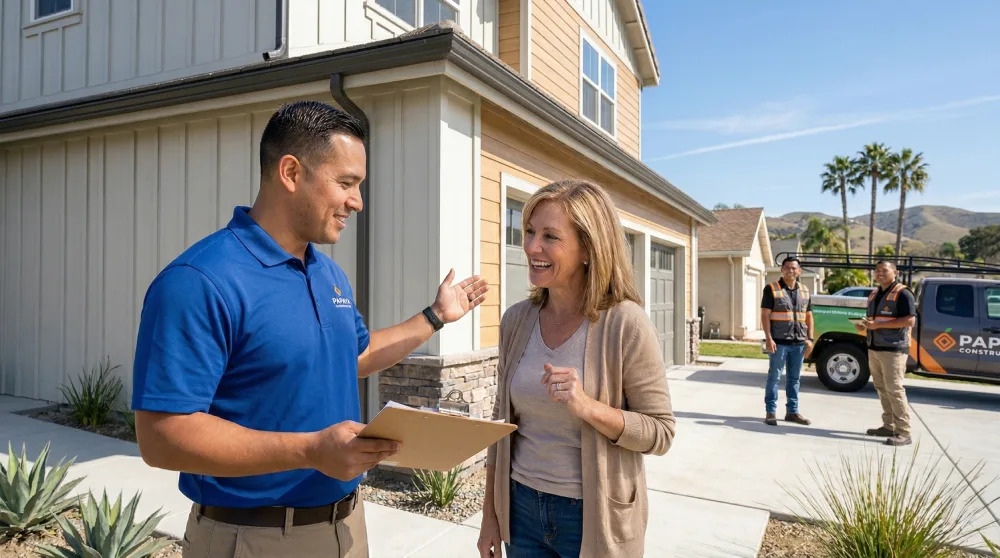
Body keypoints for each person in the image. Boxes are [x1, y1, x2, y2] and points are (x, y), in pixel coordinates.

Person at [130, 101, 487, 558]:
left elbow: (355, 356)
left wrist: (435, 317)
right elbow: (161, 438)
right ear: (292, 172)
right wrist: (310, 450)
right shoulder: (199, 281)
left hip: (346, 526)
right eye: (346, 183)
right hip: (252, 538)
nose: (357, 202)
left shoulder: (328, 275)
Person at [476, 179, 676, 558]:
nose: (532, 246)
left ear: (588, 248)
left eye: (550, 236)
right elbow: (499, 429)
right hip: (520, 511)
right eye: (530, 231)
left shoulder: (625, 323)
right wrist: (491, 514)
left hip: (593, 517)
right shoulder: (516, 321)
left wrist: (588, 407)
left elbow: (660, 432)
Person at [857, 260, 916, 446]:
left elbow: (909, 321)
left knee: (895, 389)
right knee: (882, 389)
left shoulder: (903, 293)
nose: (880, 273)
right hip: (875, 347)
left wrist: (878, 325)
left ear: (895, 272)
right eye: (877, 270)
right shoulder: (874, 293)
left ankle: (904, 432)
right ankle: (888, 425)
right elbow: (873, 319)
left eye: (884, 270)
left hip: (893, 350)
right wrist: (864, 325)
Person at [760, 256, 814, 426]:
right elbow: (765, 315)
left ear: (799, 271)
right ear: (782, 270)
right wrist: (768, 338)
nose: (790, 271)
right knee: (774, 377)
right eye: (787, 268)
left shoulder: (805, 291)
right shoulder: (771, 289)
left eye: (794, 268)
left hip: (798, 343)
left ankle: (792, 412)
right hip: (779, 342)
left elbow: (809, 316)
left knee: (795, 379)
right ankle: (771, 412)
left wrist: (810, 339)